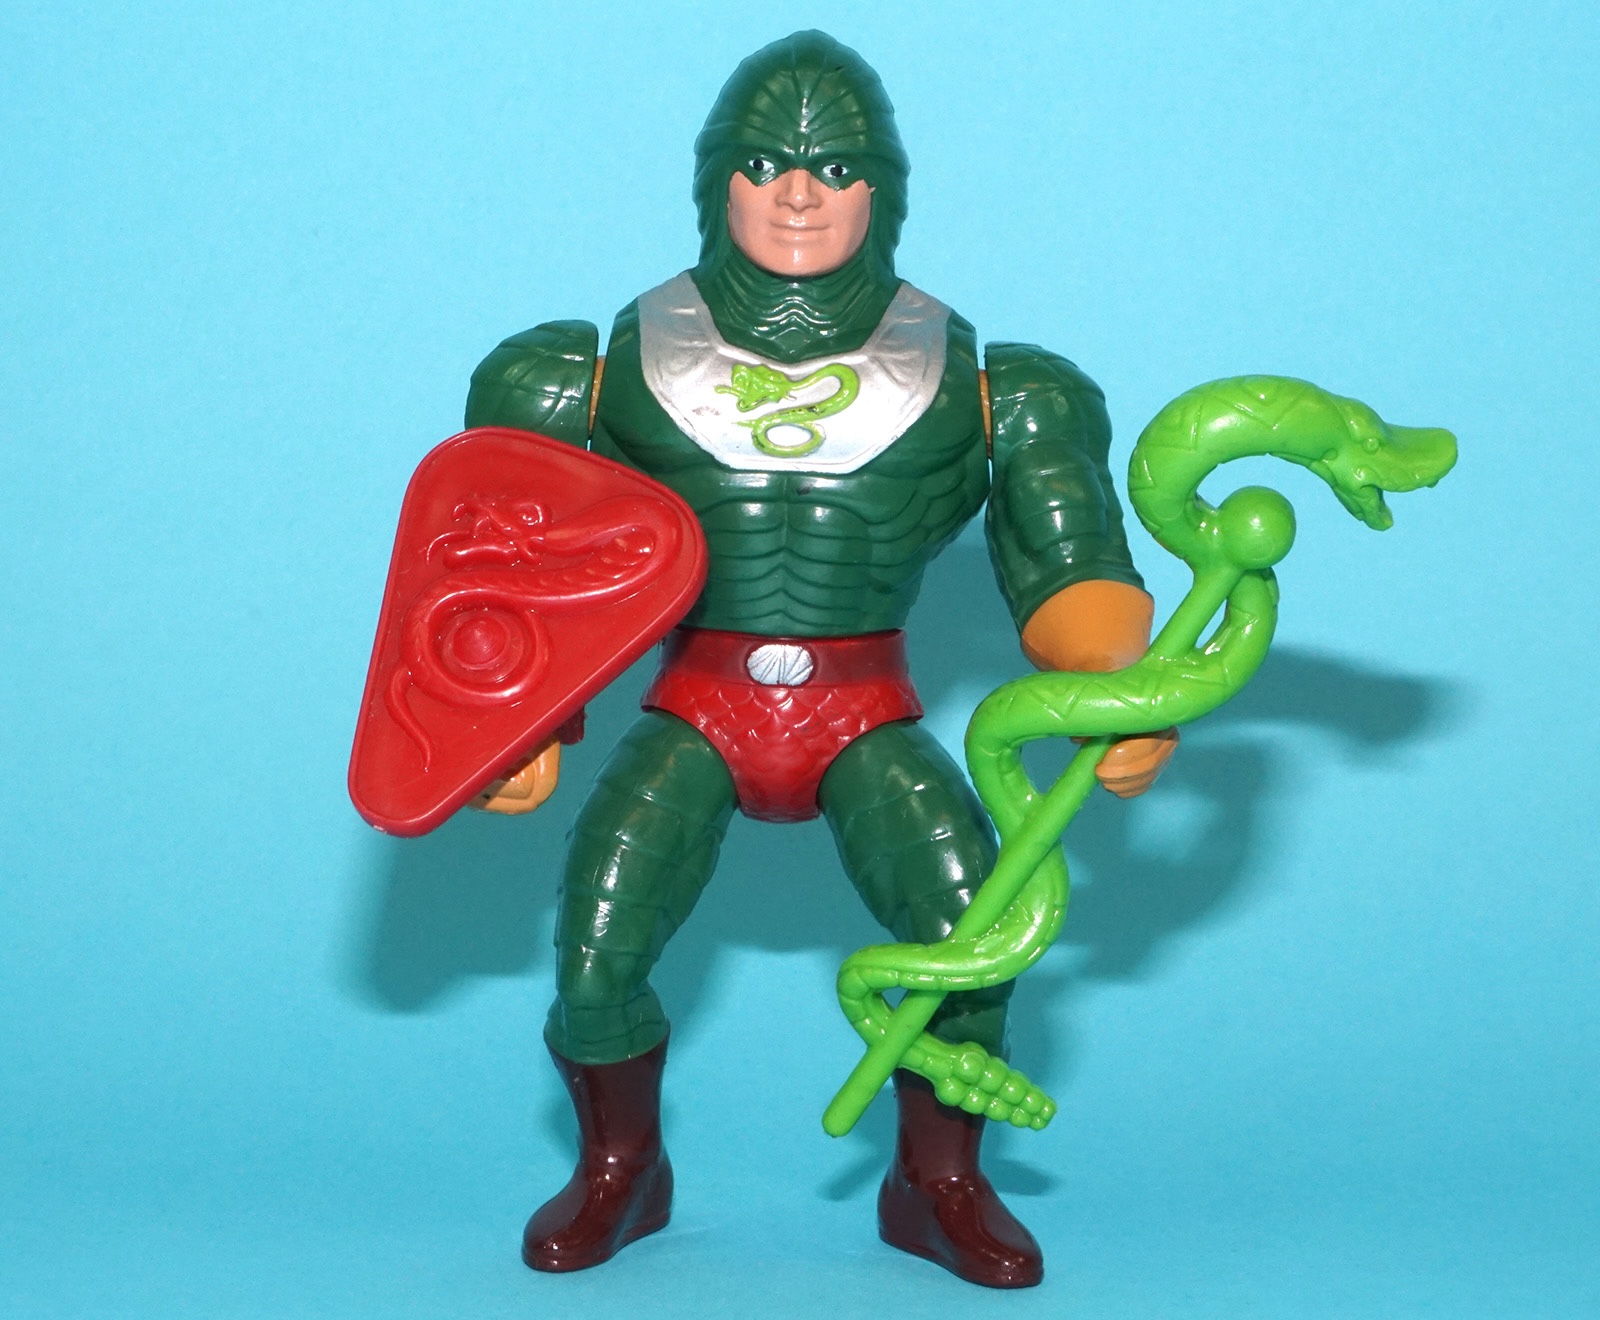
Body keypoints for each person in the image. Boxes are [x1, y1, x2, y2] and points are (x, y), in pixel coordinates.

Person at [461, 30, 1176, 1289]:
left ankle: (936, 1180)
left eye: (835, 168)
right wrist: (516, 723)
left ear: (881, 191)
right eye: (764, 163)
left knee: (970, 938)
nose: (798, 193)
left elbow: (1068, 567)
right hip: (698, 698)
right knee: (593, 952)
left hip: (862, 708)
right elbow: (506, 574)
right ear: (716, 183)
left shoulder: (989, 385)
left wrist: (1115, 691)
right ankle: (621, 1167)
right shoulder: (592, 371)